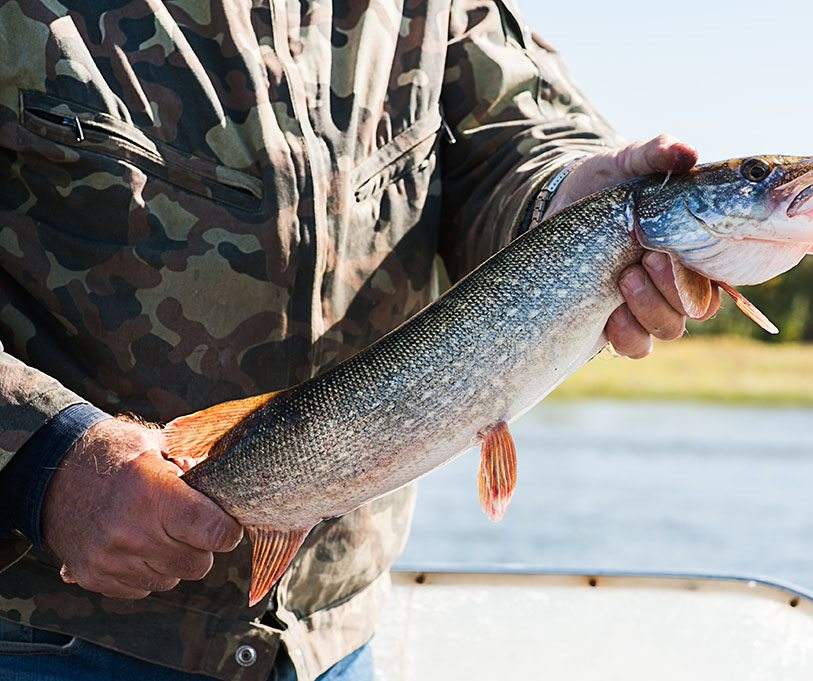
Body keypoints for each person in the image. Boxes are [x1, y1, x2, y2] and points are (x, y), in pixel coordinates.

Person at [0, 2, 716, 679]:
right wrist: (45, 456)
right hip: (49, 637)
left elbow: (515, 137)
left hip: (332, 637)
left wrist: (562, 198)